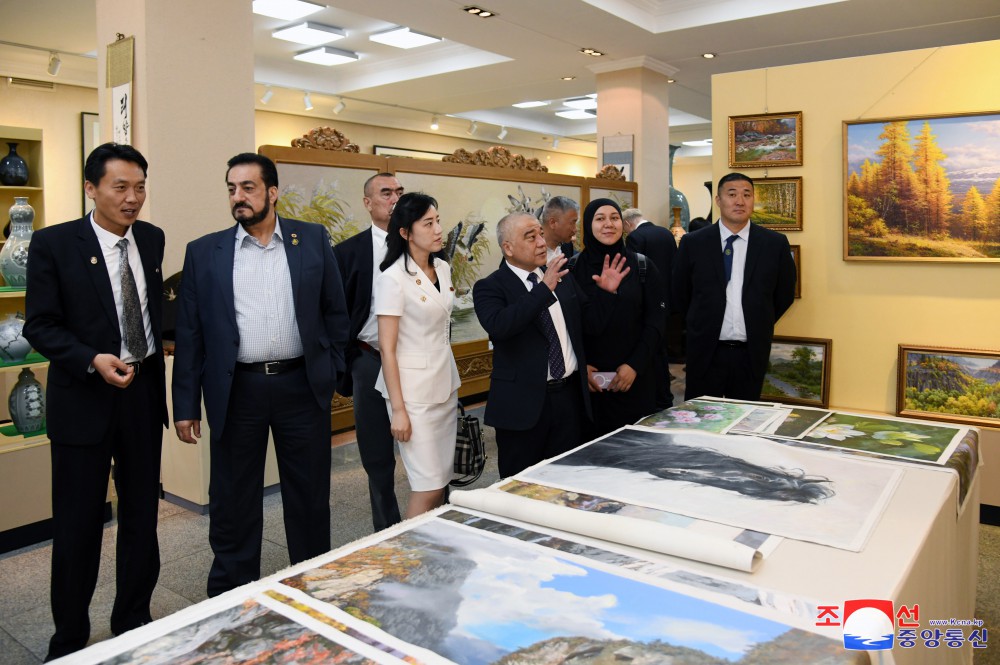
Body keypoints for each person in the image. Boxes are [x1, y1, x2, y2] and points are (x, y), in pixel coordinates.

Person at [172, 152, 349, 597]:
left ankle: (310, 583)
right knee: (233, 498)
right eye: (232, 188)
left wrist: (332, 371)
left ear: (272, 192)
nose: (238, 197)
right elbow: (190, 334)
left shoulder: (310, 240)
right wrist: (186, 404)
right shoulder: (204, 252)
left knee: (308, 495)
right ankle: (233, 590)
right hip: (237, 390)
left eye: (248, 188)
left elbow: (335, 312)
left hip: (300, 387)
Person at [24, 143, 167, 660]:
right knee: (79, 523)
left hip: (142, 396)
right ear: (91, 188)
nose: (133, 199)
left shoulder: (151, 239)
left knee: (141, 517)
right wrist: (91, 358)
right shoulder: (55, 244)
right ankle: (69, 638)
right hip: (84, 398)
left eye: (140, 188)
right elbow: (39, 324)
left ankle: (133, 618)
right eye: (121, 187)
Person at [473, 212, 626, 477]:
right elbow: (501, 326)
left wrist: (606, 294)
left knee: (567, 479)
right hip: (522, 406)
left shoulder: (560, 277)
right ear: (507, 248)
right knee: (520, 485)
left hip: (568, 398)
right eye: (530, 237)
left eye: (541, 234)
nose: (541, 242)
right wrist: (543, 289)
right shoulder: (490, 287)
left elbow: (589, 325)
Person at [673, 172, 796, 401]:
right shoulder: (694, 243)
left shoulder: (774, 244)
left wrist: (759, 317)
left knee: (745, 421)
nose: (740, 201)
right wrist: (701, 321)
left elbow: (784, 294)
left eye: (746, 195)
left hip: (750, 352)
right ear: (718, 201)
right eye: (732, 194)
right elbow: (680, 294)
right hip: (705, 350)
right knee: (702, 420)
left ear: (752, 200)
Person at [374, 192, 461, 517]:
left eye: (438, 220)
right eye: (428, 223)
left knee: (440, 483)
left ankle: (431, 552)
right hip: (412, 397)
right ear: (405, 232)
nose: (438, 229)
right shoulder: (392, 279)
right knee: (427, 487)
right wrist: (398, 410)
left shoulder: (442, 267)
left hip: (444, 386)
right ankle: (405, 559)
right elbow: (388, 348)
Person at [333, 173, 405, 531]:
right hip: (369, 357)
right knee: (376, 452)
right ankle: (387, 527)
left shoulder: (424, 247)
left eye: (399, 192)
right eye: (386, 193)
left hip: (415, 358)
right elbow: (337, 311)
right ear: (368, 203)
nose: (394, 199)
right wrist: (350, 360)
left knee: (429, 441)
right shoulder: (348, 252)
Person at [569, 199, 666, 440]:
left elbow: (656, 321)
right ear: (588, 226)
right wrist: (581, 367)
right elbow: (570, 326)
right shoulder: (572, 270)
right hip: (589, 384)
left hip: (636, 378)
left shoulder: (642, 266)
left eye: (614, 218)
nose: (608, 224)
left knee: (637, 450)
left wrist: (635, 365)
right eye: (600, 218)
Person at [622, 207, 677, 409]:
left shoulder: (636, 237)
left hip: (647, 300)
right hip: (667, 298)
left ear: (627, 224)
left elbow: (634, 272)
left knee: (651, 348)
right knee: (662, 348)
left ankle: (654, 395)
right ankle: (665, 395)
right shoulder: (665, 232)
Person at [539, 195, 579, 261]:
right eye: (572, 223)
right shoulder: (532, 250)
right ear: (553, 223)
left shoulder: (567, 248)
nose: (575, 229)